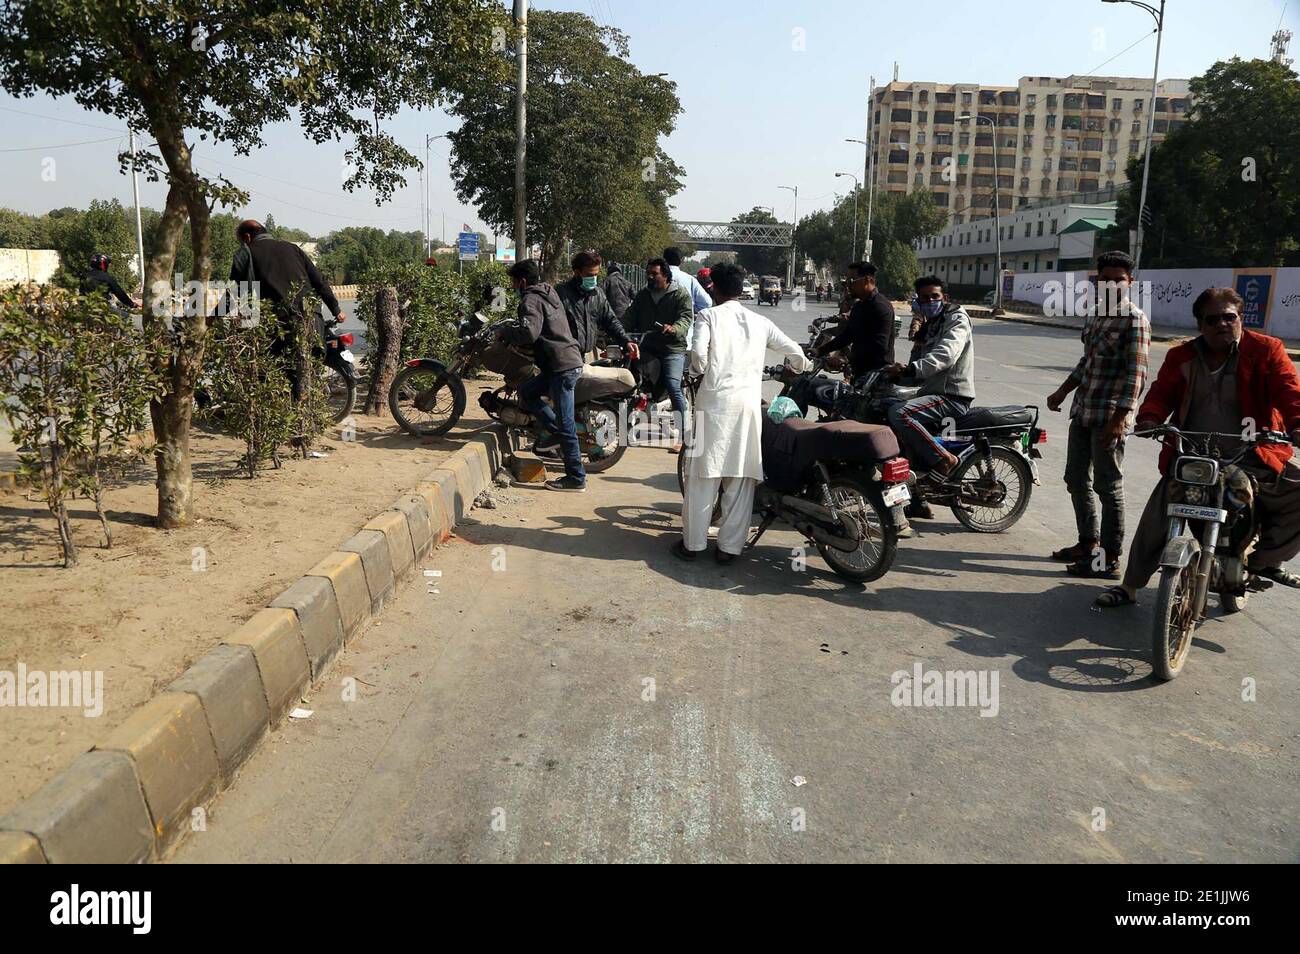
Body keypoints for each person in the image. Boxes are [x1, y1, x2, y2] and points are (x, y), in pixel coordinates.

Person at [1095, 287, 1300, 607]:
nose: (1222, 324)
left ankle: (1265, 561)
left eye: (1229, 317)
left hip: (1251, 454)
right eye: (1212, 319)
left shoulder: (1266, 350)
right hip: (1194, 454)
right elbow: (1162, 393)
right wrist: (1150, 418)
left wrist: (1297, 425)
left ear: (1240, 318)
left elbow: (1290, 392)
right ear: (1200, 324)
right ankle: (1130, 586)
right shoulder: (1182, 356)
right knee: (1160, 509)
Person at [677, 261, 808, 564]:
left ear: (714, 288)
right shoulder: (759, 321)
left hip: (714, 405)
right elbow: (795, 352)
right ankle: (729, 549)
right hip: (748, 407)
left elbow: (697, 354)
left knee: (702, 477)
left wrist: (701, 372)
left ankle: (693, 546)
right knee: (740, 478)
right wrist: (797, 367)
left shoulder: (708, 316)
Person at [1046, 250, 1150, 578]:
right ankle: (1087, 543)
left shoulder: (1134, 319)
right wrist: (1063, 390)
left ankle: (1109, 558)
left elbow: (1137, 375)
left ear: (1130, 282)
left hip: (1110, 417)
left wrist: (1120, 420)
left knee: (1108, 486)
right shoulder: (1094, 315)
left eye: (1118, 280)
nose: (1111, 285)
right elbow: (1087, 362)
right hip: (1084, 410)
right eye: (1105, 280)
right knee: (1076, 479)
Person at [501, 259, 588, 493]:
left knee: (566, 422)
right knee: (527, 392)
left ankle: (576, 477)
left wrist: (505, 332)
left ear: (521, 281)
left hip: (561, 367)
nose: (512, 287)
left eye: (513, 282)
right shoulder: (549, 292)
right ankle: (556, 435)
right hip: (561, 362)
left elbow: (529, 332)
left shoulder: (530, 298)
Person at [882, 276, 974, 489]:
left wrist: (912, 369)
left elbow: (946, 354)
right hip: (932, 391)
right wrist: (895, 374)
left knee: (899, 413)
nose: (930, 301)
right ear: (919, 301)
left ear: (945, 298)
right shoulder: (931, 324)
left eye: (935, 296)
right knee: (884, 402)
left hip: (952, 395)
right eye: (925, 298)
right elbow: (918, 367)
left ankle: (944, 459)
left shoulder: (957, 319)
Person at [622, 258, 693, 453]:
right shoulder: (643, 295)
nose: (651, 277)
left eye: (655, 274)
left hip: (672, 348)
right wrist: (616, 330)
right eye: (649, 274)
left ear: (666, 276)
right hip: (647, 346)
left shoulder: (680, 294)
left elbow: (686, 318)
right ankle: (624, 428)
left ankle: (684, 436)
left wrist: (675, 328)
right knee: (630, 379)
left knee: (672, 385)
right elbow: (629, 316)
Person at [816, 261, 896, 379]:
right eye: (846, 281)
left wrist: (846, 359)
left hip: (877, 376)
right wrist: (819, 351)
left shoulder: (880, 306)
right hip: (859, 371)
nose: (847, 285)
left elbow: (879, 347)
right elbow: (847, 336)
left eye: (851, 281)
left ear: (866, 280)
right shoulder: (859, 306)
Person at [556, 250, 634, 363]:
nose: (593, 279)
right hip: (566, 359)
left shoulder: (598, 294)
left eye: (596, 275)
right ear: (577, 273)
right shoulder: (561, 294)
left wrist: (626, 341)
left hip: (587, 355)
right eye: (589, 275)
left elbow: (611, 321)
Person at [662, 247, 713, 315]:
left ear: (664, 260)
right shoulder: (689, 279)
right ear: (681, 260)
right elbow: (707, 303)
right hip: (686, 322)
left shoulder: (656, 278)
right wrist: (690, 310)